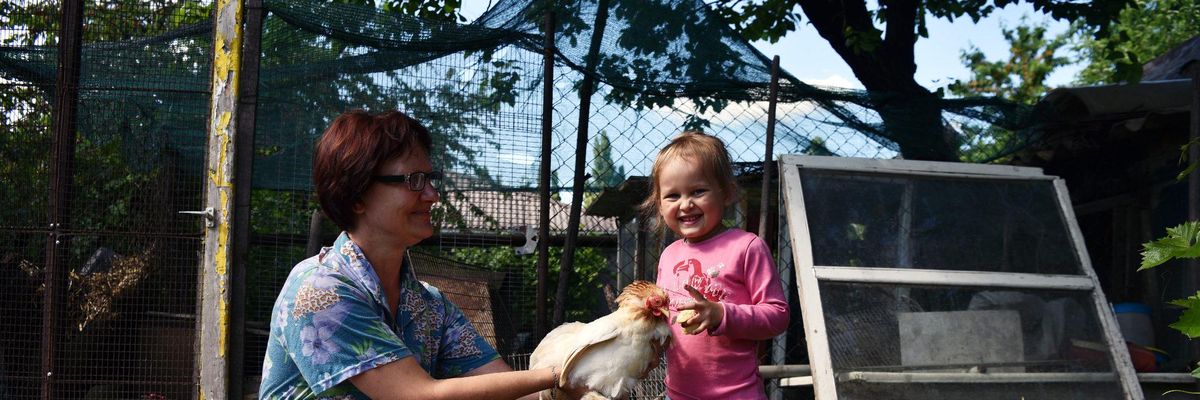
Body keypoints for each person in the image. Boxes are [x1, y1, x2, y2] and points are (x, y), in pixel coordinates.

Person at [259, 109, 568, 400]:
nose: (432, 195)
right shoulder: (320, 291)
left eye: (431, 179)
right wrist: (563, 372)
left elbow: (512, 393)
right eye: (414, 180)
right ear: (356, 196)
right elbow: (418, 395)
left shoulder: (430, 306)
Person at [641, 131, 790, 399]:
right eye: (672, 196)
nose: (686, 204)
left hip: (737, 394)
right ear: (659, 205)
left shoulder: (747, 247)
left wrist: (723, 315)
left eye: (698, 191)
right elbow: (667, 321)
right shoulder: (669, 255)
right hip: (678, 394)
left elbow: (777, 315)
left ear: (727, 192)